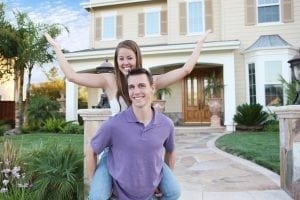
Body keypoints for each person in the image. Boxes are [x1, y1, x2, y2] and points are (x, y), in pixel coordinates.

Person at [45, 30, 211, 198]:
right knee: (97, 196)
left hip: (145, 151)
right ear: (116, 61)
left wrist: (199, 44)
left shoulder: (148, 81)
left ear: (137, 58)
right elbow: (72, 76)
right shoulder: (109, 80)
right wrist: (58, 49)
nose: (125, 63)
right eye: (121, 58)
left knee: (173, 191)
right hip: (117, 151)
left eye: (129, 58)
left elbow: (185, 70)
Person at [88, 68, 179, 200]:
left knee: (174, 192)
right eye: (131, 87)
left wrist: (162, 180)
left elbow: (171, 151)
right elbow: (92, 149)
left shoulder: (166, 124)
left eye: (141, 86)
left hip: (149, 188)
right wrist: (94, 182)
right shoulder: (114, 124)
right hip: (120, 186)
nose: (136, 91)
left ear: (152, 88)